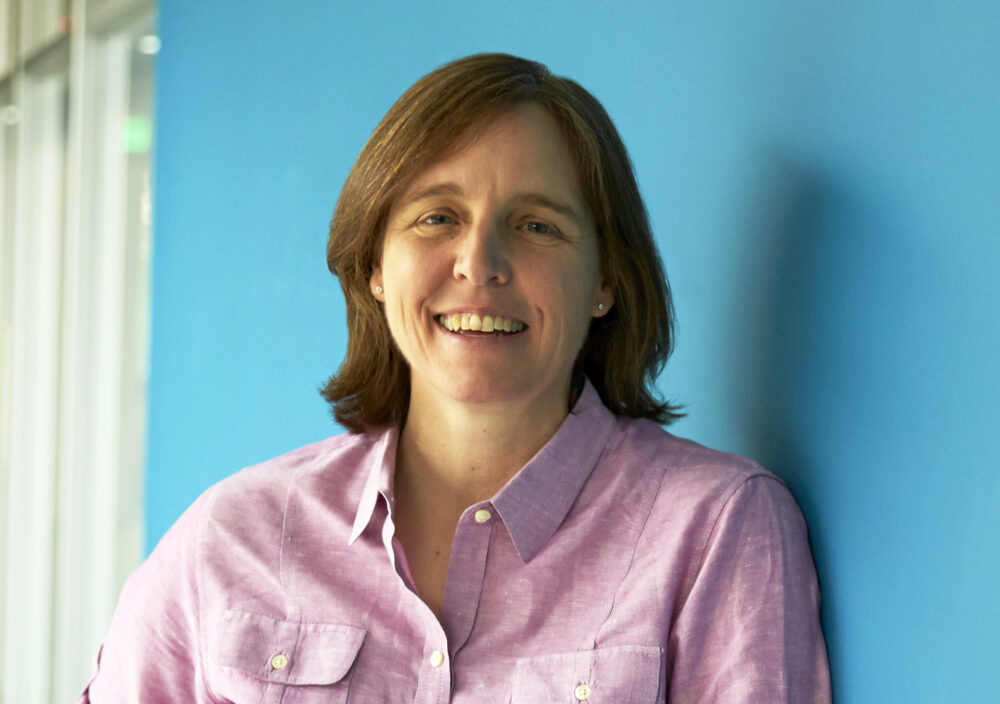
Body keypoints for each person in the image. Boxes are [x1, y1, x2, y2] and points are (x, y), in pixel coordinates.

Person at [80, 53, 831, 702]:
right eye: (436, 217)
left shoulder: (716, 534)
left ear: (605, 278)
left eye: (537, 225)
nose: (480, 263)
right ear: (376, 265)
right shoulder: (232, 539)